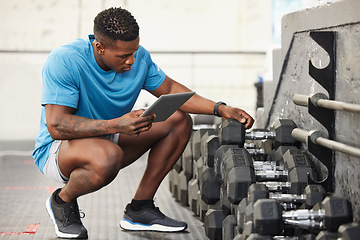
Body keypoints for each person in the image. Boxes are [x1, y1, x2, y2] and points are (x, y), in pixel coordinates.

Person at [32, 6, 254, 239]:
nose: (131, 61)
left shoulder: (139, 58)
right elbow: (56, 125)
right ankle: (62, 201)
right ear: (100, 47)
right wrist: (117, 125)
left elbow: (169, 89)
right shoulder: (65, 60)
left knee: (177, 121)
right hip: (59, 149)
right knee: (108, 155)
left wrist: (219, 108)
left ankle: (140, 209)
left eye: (134, 52)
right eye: (123, 56)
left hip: (110, 135)